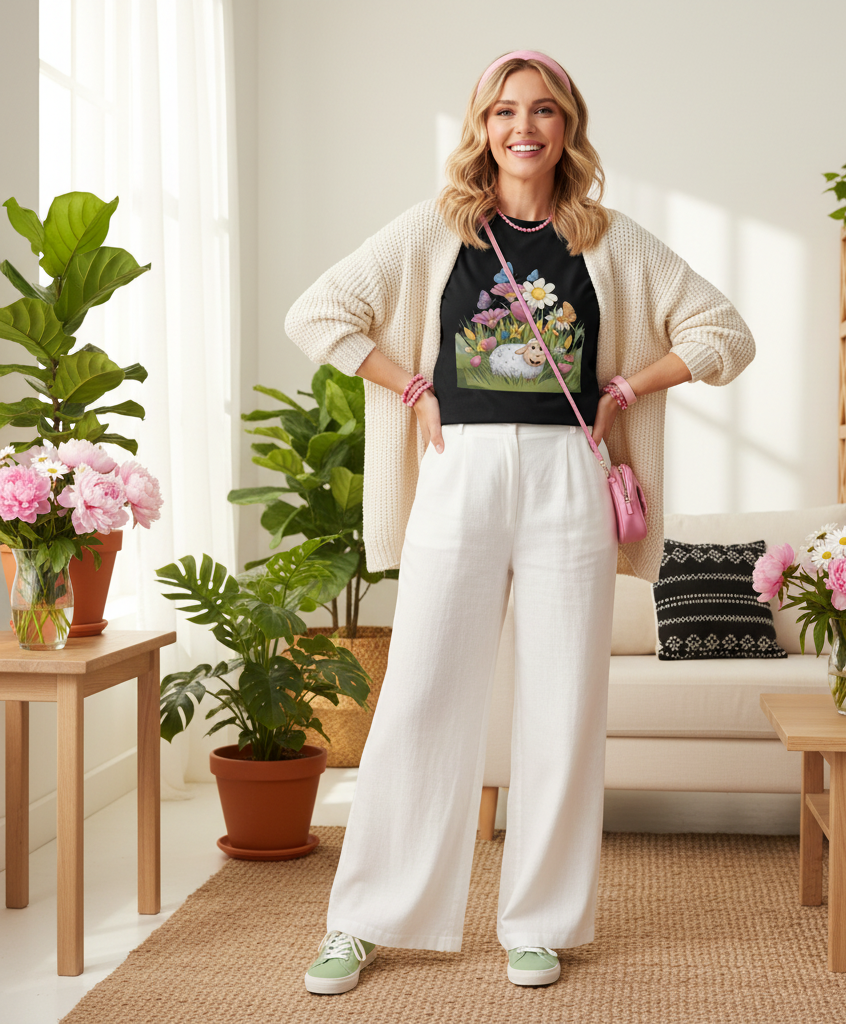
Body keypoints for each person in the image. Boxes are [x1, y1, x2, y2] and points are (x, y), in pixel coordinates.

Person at [284, 49, 755, 994]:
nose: (523, 127)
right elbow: (319, 312)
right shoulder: (436, 228)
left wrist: (626, 384)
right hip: (459, 471)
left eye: (542, 111)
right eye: (504, 112)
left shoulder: (609, 238)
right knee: (420, 690)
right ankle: (365, 916)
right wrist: (412, 386)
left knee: (563, 705)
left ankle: (537, 921)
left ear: (568, 127)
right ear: (483, 127)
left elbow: (724, 333)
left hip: (567, 479)